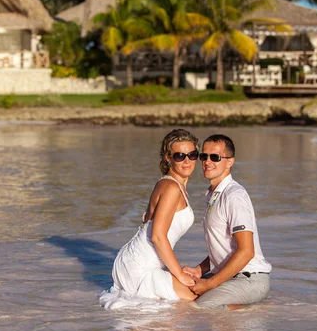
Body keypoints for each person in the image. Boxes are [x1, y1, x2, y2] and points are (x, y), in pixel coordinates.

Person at [99, 129, 200, 309]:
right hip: (140, 266)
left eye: (192, 155)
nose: (187, 161)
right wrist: (178, 274)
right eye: (180, 156)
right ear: (168, 158)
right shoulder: (171, 187)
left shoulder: (168, 183)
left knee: (195, 301)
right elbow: (157, 236)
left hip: (142, 260)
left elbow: (147, 218)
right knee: (194, 303)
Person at [184, 134, 271, 310]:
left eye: (215, 157)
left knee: (199, 310)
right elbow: (224, 246)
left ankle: (257, 310)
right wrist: (200, 270)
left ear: (229, 162)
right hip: (227, 276)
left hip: (249, 278)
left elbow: (246, 251)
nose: (207, 162)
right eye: (204, 156)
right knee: (178, 297)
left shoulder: (234, 196)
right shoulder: (212, 195)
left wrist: (209, 284)